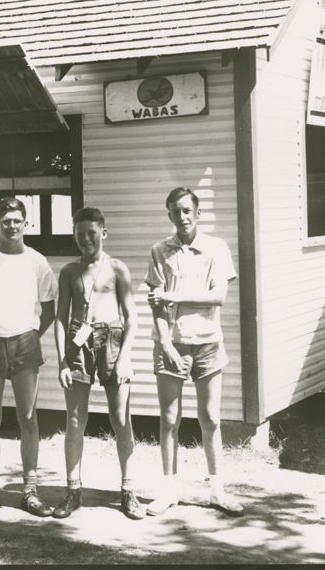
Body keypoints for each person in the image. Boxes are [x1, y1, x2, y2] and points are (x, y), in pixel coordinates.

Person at [145, 187, 243, 517]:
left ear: (198, 213)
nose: (182, 217)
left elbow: (219, 297)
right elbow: (157, 305)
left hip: (208, 342)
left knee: (211, 418)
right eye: (175, 211)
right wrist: (166, 344)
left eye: (187, 210)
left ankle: (218, 491)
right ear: (169, 215)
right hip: (172, 343)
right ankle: (169, 490)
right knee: (169, 419)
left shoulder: (216, 248)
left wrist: (175, 296)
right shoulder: (160, 250)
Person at [0, 197, 57, 518]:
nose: (12, 226)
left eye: (17, 221)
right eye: (6, 221)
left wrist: (28, 335)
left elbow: (49, 310)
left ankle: (29, 492)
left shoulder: (37, 262)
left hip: (25, 344)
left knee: (28, 418)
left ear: (25, 224)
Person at [52, 207, 143, 520]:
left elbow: (132, 317)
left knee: (120, 419)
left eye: (91, 233)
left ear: (103, 233)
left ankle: (128, 490)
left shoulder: (117, 268)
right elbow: (61, 319)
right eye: (80, 234)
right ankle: (72, 490)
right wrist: (63, 360)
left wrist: (125, 357)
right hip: (79, 343)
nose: (85, 239)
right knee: (75, 420)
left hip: (113, 341)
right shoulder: (67, 272)